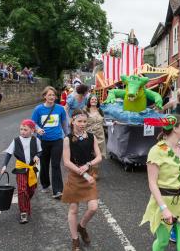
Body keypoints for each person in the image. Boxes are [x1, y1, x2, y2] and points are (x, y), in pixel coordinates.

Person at [141, 114, 180, 251]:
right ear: (175, 128)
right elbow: (152, 183)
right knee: (163, 243)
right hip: (164, 202)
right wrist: (164, 209)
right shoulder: (156, 151)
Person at [61, 109, 102, 251]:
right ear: (73, 121)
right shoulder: (67, 139)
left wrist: (88, 165)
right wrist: (82, 172)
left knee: (93, 207)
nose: (82, 124)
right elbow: (66, 162)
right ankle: (75, 240)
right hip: (75, 175)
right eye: (79, 121)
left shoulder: (92, 137)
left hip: (88, 173)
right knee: (73, 209)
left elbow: (99, 157)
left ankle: (82, 226)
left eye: (85, 121)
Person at [0, 119, 42, 224]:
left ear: (32, 130)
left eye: (25, 129)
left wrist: (37, 156)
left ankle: (25, 201)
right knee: (22, 190)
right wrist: (4, 165)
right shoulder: (16, 140)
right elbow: (9, 153)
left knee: (31, 189)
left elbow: (40, 151)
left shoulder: (36, 140)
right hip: (21, 167)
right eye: (21, 129)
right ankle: (23, 212)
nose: (22, 131)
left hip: (34, 167)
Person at [32, 86, 68, 199]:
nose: (52, 97)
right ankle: (45, 184)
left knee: (56, 164)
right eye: (49, 95)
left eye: (53, 95)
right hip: (43, 141)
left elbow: (64, 124)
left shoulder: (60, 109)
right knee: (44, 164)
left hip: (57, 140)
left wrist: (68, 136)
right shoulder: (38, 109)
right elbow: (33, 123)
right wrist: (37, 129)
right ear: (44, 96)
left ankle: (58, 190)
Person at [86, 94, 106, 177]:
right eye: (92, 99)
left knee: (98, 154)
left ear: (97, 101)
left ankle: (95, 172)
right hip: (89, 135)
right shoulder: (85, 111)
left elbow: (104, 122)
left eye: (95, 100)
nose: (94, 101)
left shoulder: (101, 111)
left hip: (100, 136)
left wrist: (113, 123)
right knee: (89, 153)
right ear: (89, 101)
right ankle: (88, 171)